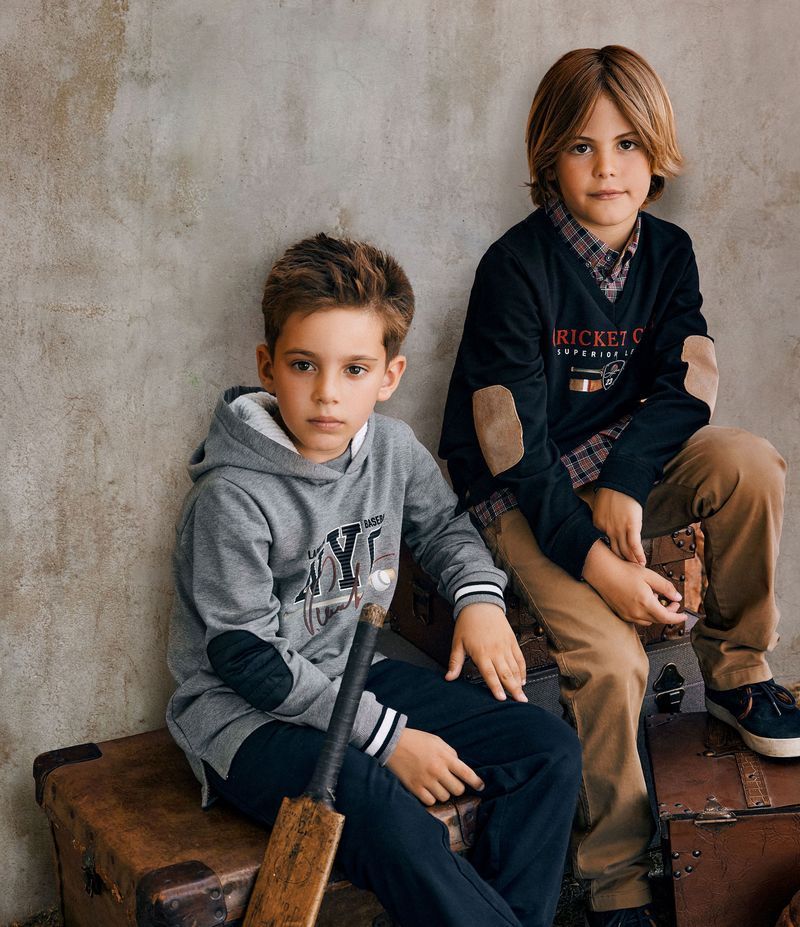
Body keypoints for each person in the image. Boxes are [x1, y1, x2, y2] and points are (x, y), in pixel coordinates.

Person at [438, 45, 798, 927]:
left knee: (749, 461)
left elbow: (688, 382)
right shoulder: (515, 269)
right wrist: (601, 566)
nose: (609, 168)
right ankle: (618, 883)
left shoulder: (669, 253)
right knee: (612, 660)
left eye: (629, 143)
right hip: (520, 489)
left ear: (656, 150)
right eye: (583, 147)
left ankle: (739, 673)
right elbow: (514, 452)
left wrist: (628, 483)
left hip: (616, 464)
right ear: (548, 157)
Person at [166, 233, 582, 927]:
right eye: (304, 365)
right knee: (385, 808)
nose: (327, 393)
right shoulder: (231, 496)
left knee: (547, 749)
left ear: (389, 376)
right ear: (268, 366)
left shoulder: (391, 449)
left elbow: (444, 527)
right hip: (245, 720)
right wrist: (387, 739)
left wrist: (479, 600)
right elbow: (247, 659)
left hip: (352, 677)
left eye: (354, 369)